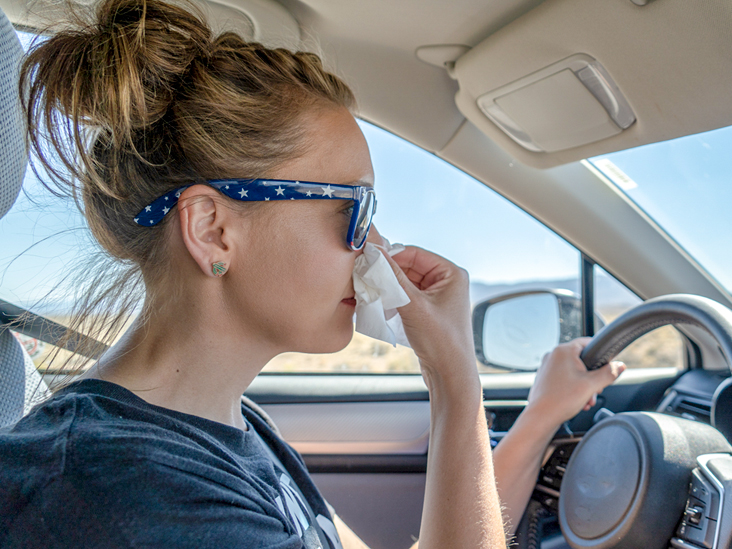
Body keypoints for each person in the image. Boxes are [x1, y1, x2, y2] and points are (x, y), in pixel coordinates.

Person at [0, 0, 624, 547]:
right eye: (355, 209)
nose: (379, 249)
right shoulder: (123, 493)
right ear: (212, 229)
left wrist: (496, 398)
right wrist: (456, 378)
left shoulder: (232, 428)